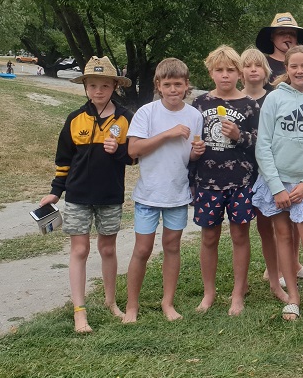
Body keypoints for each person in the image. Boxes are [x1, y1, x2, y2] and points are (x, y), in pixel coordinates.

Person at [38, 56, 133, 333]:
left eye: (104, 85)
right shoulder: (74, 119)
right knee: (80, 249)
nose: (98, 91)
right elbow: (63, 159)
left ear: (114, 85)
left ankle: (111, 301)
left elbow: (134, 157)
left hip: (110, 195)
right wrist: (56, 193)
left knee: (107, 249)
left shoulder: (125, 118)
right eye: (92, 85)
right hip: (77, 196)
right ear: (85, 87)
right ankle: (80, 311)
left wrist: (120, 152)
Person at [252, 45, 303, 328]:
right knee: (283, 237)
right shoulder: (275, 99)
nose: (299, 71)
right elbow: (262, 144)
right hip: (276, 182)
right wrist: (276, 187)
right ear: (286, 70)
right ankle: (294, 297)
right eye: (294, 66)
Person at [123, 58, 205, 323]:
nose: (172, 90)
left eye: (178, 84)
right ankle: (132, 306)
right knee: (143, 249)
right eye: (167, 84)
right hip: (148, 192)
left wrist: (196, 152)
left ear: (186, 86)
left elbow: (189, 157)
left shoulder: (194, 116)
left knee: (172, 246)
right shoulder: (147, 112)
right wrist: (167, 134)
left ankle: (167, 302)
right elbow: (133, 151)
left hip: (177, 192)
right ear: (158, 85)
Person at [191, 46, 260, 316]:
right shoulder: (199, 104)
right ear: (210, 72)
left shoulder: (250, 105)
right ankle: (209, 293)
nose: (225, 75)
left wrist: (239, 136)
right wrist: (191, 157)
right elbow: (192, 143)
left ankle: (237, 293)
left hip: (241, 182)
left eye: (230, 70)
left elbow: (260, 144)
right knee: (209, 237)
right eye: (219, 70)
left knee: (240, 236)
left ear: (239, 73)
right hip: (207, 182)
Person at [240, 47, 288, 303]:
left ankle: (275, 277)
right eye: (248, 65)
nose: (253, 70)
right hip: (240, 171)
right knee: (240, 228)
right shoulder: (233, 100)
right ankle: (242, 280)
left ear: (266, 71)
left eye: (258, 65)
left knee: (267, 225)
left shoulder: (275, 98)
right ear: (241, 71)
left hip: (269, 171)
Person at [255, 12, 303, 81]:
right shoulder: (262, 64)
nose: (288, 36)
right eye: (281, 33)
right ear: (272, 37)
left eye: (292, 33)